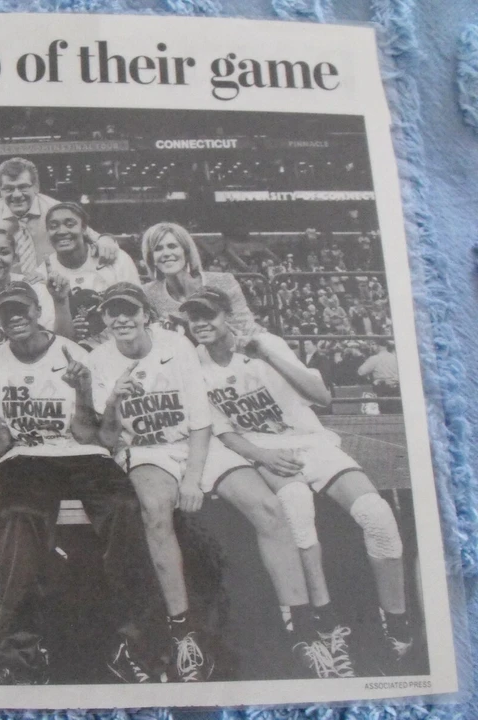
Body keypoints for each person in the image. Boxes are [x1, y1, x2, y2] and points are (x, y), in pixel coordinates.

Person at [90, 283, 336, 680]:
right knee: (155, 514)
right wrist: (116, 402)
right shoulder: (99, 359)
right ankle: (183, 634)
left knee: (269, 508)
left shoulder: (176, 345)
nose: (122, 319)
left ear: (145, 314)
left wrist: (192, 479)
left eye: (129, 310)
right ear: (104, 317)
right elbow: (106, 438)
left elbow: (201, 421)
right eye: (112, 311)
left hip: (196, 442)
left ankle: (302, 629)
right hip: (148, 449)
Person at [186, 286, 413, 676]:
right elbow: (223, 432)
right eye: (193, 317)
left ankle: (397, 623)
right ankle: (326, 626)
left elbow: (322, 396)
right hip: (263, 449)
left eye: (209, 314)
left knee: (378, 515)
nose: (201, 324)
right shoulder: (195, 363)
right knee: (297, 509)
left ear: (227, 316)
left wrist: (269, 357)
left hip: (310, 441)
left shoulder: (266, 343)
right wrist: (262, 456)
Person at [0, 280, 158, 684]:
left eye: (23, 309)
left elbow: (90, 436)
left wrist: (83, 392)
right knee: (20, 517)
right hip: (27, 456)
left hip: (80, 453)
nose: (16, 317)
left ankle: (138, 645)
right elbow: (2, 445)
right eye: (7, 312)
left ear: (39, 311)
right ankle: (17, 653)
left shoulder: (72, 351)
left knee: (125, 510)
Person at [0, 157, 121, 274]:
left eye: (23, 187)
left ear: (36, 186)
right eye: (8, 188)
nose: (17, 194)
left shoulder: (55, 209)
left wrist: (106, 240)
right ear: (0, 189)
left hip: (53, 284)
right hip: (8, 290)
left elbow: (96, 237)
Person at [141, 222, 268, 346]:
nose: (166, 253)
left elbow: (246, 329)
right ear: (151, 259)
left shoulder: (223, 282)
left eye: (172, 246)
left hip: (233, 352)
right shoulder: (149, 293)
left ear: (186, 252)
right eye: (158, 249)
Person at [41, 202, 140, 348]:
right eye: (54, 226)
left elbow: (139, 310)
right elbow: (56, 339)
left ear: (84, 229)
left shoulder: (116, 259)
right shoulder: (43, 273)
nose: (61, 231)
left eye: (70, 224)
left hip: (121, 349)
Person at [358, 341, 401, 414]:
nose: (371, 347)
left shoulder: (375, 358)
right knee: (397, 414)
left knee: (385, 414)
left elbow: (361, 372)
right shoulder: (395, 357)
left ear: (379, 346)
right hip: (397, 389)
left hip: (383, 390)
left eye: (373, 344)